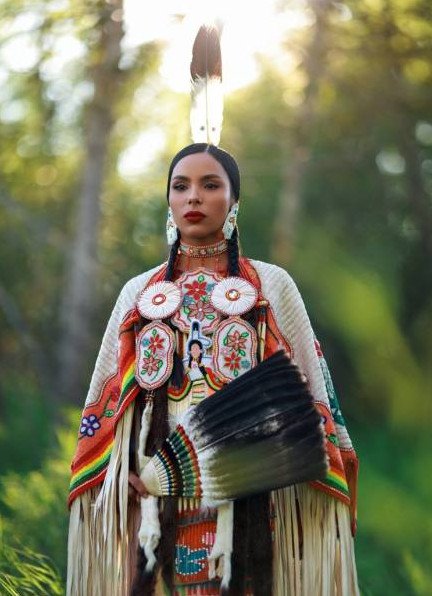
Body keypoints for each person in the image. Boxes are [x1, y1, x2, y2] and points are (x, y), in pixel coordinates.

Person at [67, 143, 359, 595]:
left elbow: (309, 389)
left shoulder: (271, 285)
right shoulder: (138, 293)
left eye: (210, 185)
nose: (193, 197)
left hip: (255, 493)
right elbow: (109, 398)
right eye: (181, 186)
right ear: (168, 200)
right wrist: (119, 472)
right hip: (158, 499)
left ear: (233, 200)